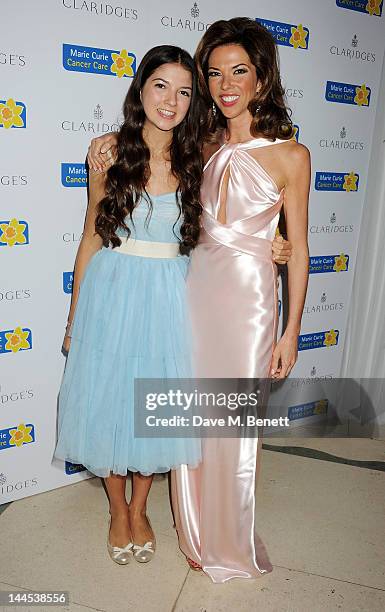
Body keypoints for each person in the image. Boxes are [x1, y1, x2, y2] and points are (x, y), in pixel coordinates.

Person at [169, 18, 310, 582]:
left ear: (261, 77)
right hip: (195, 294)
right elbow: (148, 148)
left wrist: (292, 329)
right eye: (215, 73)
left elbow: (297, 248)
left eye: (239, 71)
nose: (226, 84)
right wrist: (105, 145)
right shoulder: (201, 143)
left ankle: (228, 541)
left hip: (250, 303)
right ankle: (196, 530)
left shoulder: (289, 156)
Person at [54, 45, 203, 566]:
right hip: (113, 292)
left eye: (184, 91)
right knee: (109, 403)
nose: (172, 100)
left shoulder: (196, 158)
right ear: (140, 89)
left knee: (153, 410)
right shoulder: (109, 153)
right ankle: (117, 508)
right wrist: (74, 317)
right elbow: (92, 234)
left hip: (171, 296)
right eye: (161, 85)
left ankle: (142, 506)